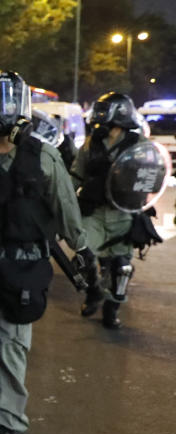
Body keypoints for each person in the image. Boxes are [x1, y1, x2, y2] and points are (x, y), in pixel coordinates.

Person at [0, 70, 91, 434]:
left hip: (24, 266)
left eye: (5, 101)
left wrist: (82, 248)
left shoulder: (43, 157)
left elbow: (66, 207)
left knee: (11, 345)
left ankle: (8, 423)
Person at [72, 92, 154, 329]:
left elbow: (151, 175)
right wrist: (63, 200)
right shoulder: (92, 142)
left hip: (123, 213)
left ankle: (112, 306)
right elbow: (77, 174)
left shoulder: (139, 144)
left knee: (121, 266)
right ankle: (94, 292)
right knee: (82, 255)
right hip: (94, 212)